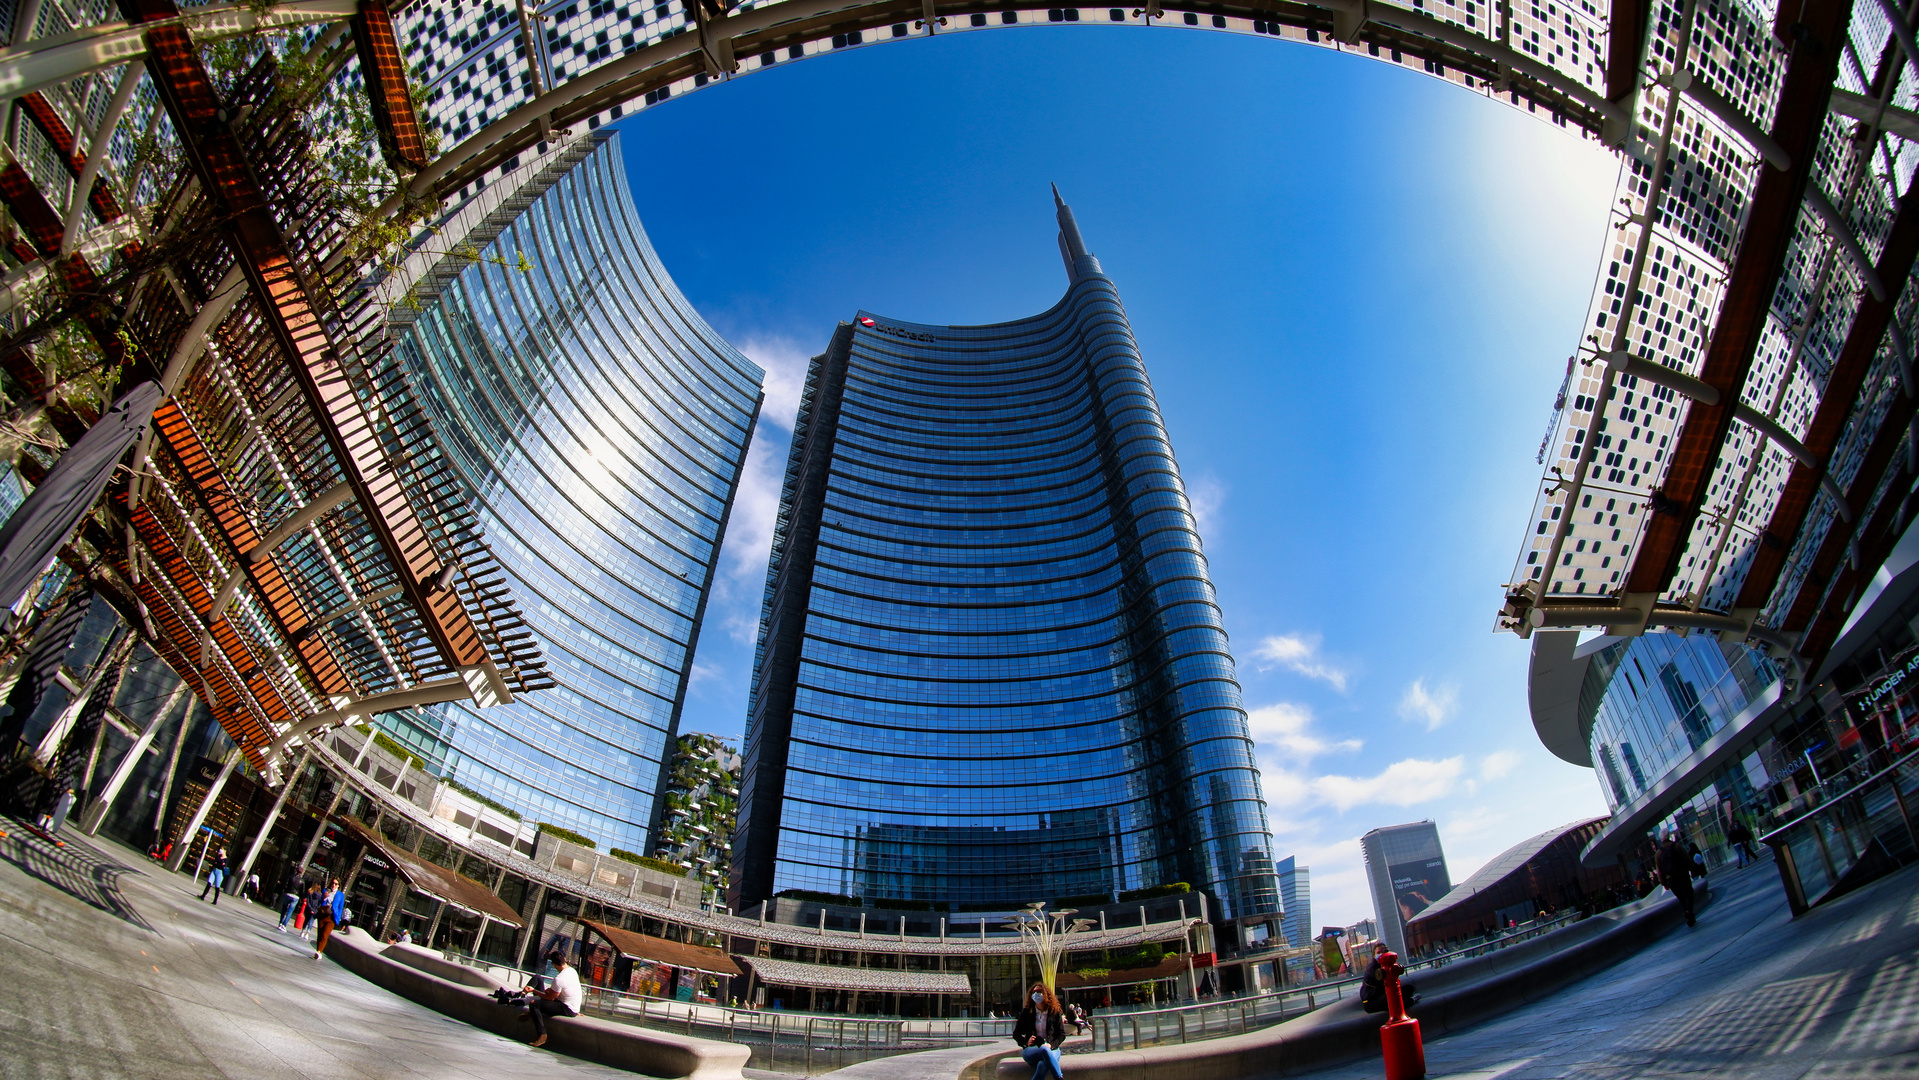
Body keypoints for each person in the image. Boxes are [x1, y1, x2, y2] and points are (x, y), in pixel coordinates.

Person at [519, 950, 583, 1048]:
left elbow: (550, 998)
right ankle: (531, 1013)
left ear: (553, 964)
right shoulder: (572, 971)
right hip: (573, 1007)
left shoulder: (559, 978)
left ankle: (542, 1035)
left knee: (534, 1004)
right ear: (564, 960)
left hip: (567, 1008)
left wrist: (534, 990)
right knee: (541, 1000)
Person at [1012, 982, 1065, 1080]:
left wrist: (1051, 1045)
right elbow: (1016, 1034)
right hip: (1032, 1050)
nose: (1036, 994)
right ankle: (1059, 1078)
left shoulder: (1054, 1012)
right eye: (1034, 992)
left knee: (1042, 1064)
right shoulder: (1027, 1012)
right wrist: (1025, 1042)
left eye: (1039, 991)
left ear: (1046, 994)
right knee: (1043, 1050)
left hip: (1051, 1049)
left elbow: (1061, 1034)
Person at [1359, 948, 1418, 1015]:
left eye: (1385, 951)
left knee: (1409, 988)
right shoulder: (1372, 968)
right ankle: (1410, 1001)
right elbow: (1380, 980)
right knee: (1392, 998)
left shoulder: (1385, 965)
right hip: (1372, 1001)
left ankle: (1405, 999)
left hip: (1384, 994)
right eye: (1379, 952)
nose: (1382, 954)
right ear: (1374, 955)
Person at [1657, 831, 1697, 927]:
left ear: (1661, 839)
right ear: (1668, 836)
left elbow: (1659, 870)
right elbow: (1686, 859)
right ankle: (1689, 911)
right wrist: (1692, 869)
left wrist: (1664, 883)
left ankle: (1688, 913)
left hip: (1671, 879)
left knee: (1681, 897)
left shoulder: (1658, 853)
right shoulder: (1677, 846)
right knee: (1689, 893)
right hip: (1682, 874)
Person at [312, 877, 346, 959]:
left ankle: (319, 952)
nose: (333, 885)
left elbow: (340, 907)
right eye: (332, 883)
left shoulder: (340, 895)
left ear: (338, 885)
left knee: (325, 934)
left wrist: (338, 918)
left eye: (336, 884)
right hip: (323, 914)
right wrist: (324, 897)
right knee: (320, 934)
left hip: (332, 917)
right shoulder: (325, 891)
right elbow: (321, 902)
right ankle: (319, 951)